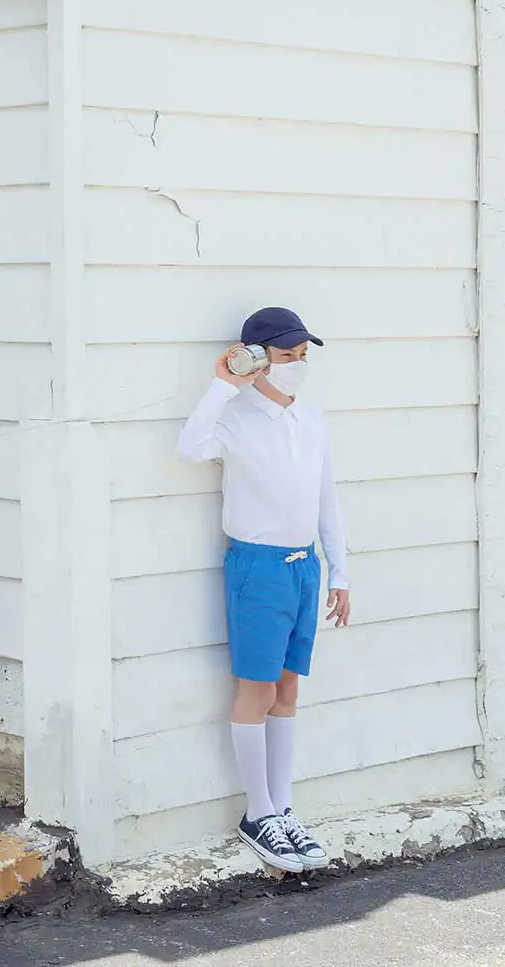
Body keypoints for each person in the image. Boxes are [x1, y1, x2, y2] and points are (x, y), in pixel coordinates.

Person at [177, 307, 350, 873]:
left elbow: (327, 500)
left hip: (305, 567)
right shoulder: (235, 417)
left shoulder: (312, 418)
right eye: (284, 355)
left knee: (288, 688)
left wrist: (339, 572)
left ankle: (283, 806)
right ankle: (258, 813)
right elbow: (189, 448)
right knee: (257, 689)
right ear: (256, 358)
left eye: (302, 355)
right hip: (258, 566)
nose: (296, 364)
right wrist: (223, 384)